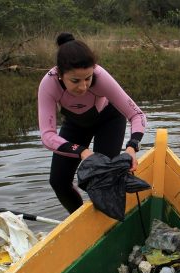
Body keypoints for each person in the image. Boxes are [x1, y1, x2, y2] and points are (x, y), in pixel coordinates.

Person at [38, 32, 146, 214]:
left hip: (108, 120)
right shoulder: (48, 85)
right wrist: (82, 151)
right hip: (75, 123)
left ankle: (109, 221)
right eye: (75, 80)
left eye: (87, 78)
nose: (83, 86)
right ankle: (80, 222)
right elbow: (47, 135)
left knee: (103, 180)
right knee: (58, 182)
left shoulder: (100, 76)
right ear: (60, 75)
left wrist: (131, 148)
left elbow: (137, 115)